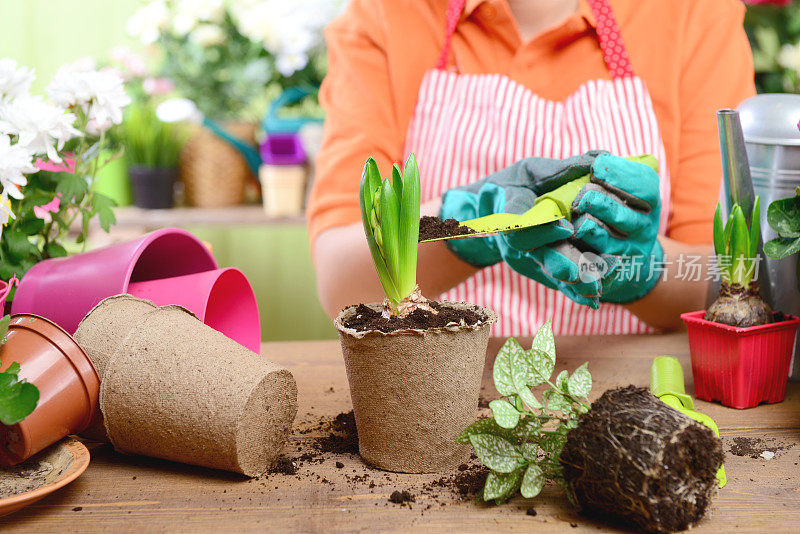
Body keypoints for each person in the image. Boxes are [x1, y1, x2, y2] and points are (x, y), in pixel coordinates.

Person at [307, 0, 755, 335]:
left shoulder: (694, 13)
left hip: (629, 403)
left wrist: (643, 268)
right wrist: (461, 228)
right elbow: (341, 285)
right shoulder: (386, 15)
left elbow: (719, 278)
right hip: (437, 395)